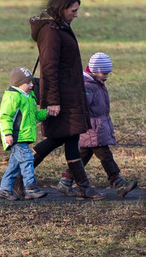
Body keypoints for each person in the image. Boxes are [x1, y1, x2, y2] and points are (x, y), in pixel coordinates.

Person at [20, 0, 104, 201]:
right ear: (62, 8)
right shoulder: (51, 31)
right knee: (61, 138)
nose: (76, 14)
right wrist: (53, 101)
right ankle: (19, 179)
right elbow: (49, 68)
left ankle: (81, 187)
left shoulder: (59, 27)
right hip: (62, 96)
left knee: (67, 138)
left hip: (70, 94)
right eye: (73, 10)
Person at [55, 52, 138, 198]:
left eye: (108, 73)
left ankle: (66, 181)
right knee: (105, 156)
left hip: (95, 127)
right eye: (104, 73)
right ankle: (118, 183)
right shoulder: (88, 86)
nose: (106, 76)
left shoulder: (95, 83)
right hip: (92, 129)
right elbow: (82, 107)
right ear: (94, 70)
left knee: (82, 156)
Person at [0, 66, 48, 201]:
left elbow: (33, 116)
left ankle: (5, 189)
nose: (32, 85)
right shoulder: (13, 97)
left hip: (23, 136)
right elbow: (5, 117)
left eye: (32, 82)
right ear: (18, 84)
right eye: (28, 83)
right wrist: (8, 134)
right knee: (27, 160)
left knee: (14, 165)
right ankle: (31, 188)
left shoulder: (28, 96)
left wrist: (46, 113)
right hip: (16, 137)